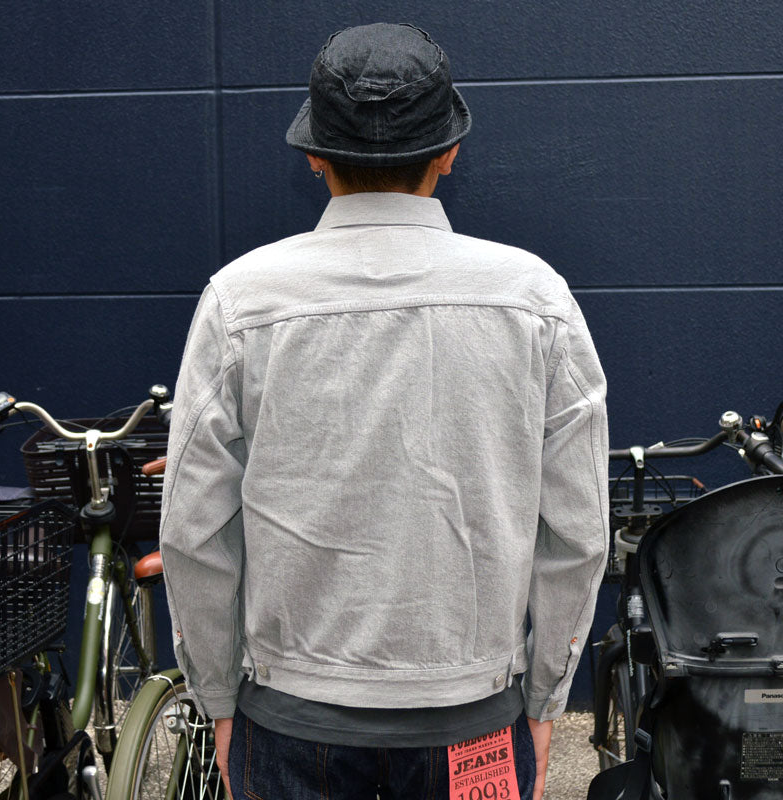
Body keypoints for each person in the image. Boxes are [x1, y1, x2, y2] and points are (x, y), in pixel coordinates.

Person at [160, 22, 609, 800]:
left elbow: (193, 531)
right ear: (449, 152)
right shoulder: (534, 298)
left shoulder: (242, 300)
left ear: (314, 155)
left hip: (291, 720)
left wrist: (218, 698)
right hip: (474, 718)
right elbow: (577, 530)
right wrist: (545, 697)